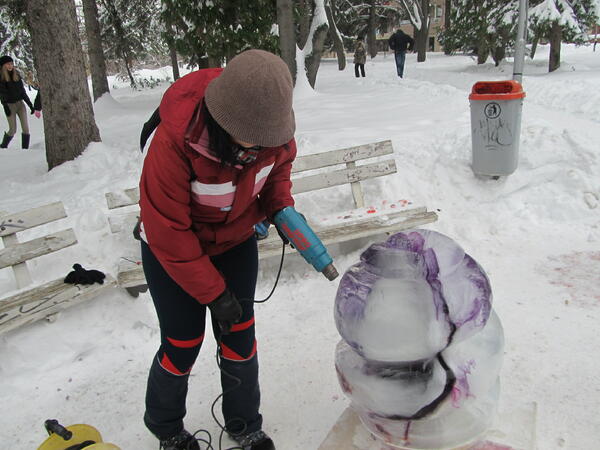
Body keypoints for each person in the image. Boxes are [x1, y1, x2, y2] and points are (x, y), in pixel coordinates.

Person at [138, 49, 296, 450]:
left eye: (270, 138)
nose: (264, 145)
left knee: (240, 334)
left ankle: (245, 425)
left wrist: (280, 207)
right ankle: (166, 426)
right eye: (254, 138)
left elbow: (278, 171)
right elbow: (168, 232)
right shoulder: (175, 142)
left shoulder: (272, 131)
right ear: (226, 120)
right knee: (183, 341)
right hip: (170, 250)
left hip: (234, 241)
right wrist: (214, 294)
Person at [0, 55, 35, 149]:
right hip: (10, 105)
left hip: (20, 105)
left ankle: (25, 150)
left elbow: (22, 92)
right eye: (8, 64)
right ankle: (3, 146)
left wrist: (30, 105)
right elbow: (2, 95)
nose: (10, 66)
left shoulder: (17, 75)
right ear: (3, 66)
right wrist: (5, 107)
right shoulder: (1, 78)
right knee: (12, 130)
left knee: (26, 129)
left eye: (11, 64)